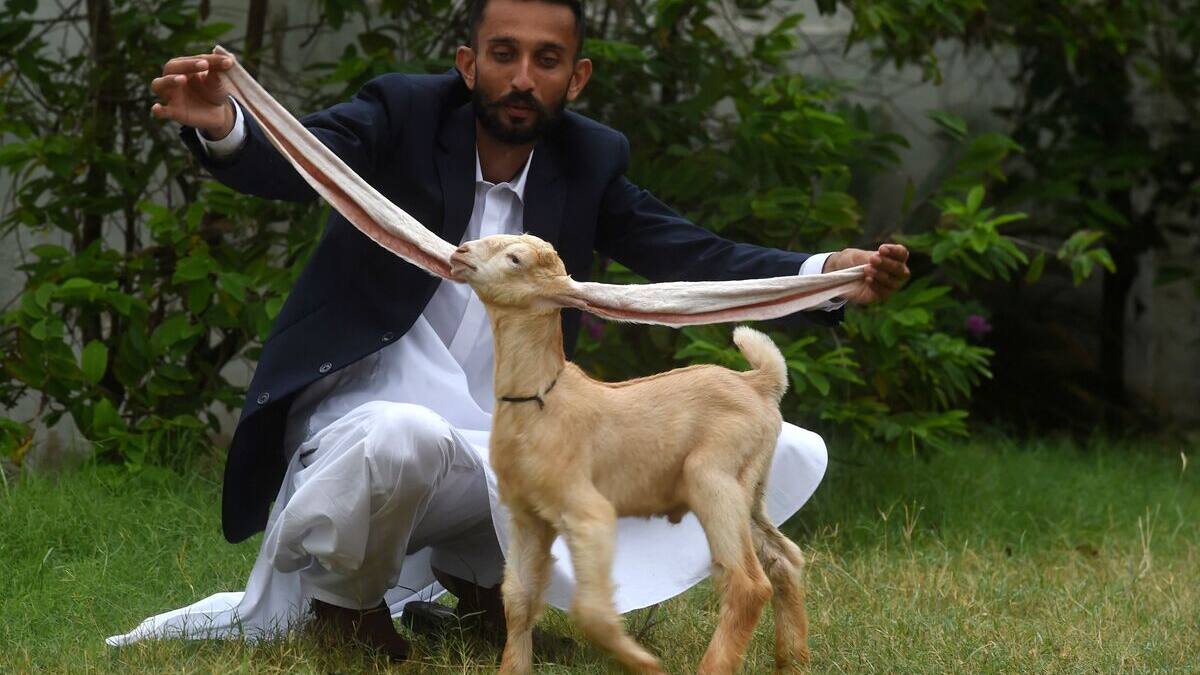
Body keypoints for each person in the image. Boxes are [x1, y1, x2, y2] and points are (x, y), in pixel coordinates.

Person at [115, 0, 910, 661]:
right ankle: (343, 609)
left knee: (620, 462)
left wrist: (823, 275)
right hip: (366, 416)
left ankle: (473, 592)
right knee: (402, 437)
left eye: (547, 59)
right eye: (503, 54)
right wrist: (225, 125)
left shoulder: (589, 160)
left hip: (508, 437)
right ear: (468, 63)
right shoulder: (401, 112)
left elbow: (687, 251)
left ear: (577, 75)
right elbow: (305, 161)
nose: (523, 78)